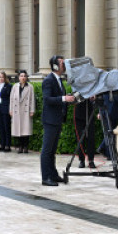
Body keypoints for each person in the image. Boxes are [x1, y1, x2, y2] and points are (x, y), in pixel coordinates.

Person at [41, 56, 74, 186]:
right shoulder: (48, 80)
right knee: (47, 150)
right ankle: (45, 177)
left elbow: (61, 99)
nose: (64, 65)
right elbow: (47, 99)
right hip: (50, 120)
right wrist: (64, 99)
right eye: (61, 63)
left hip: (57, 119)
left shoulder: (59, 80)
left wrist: (69, 100)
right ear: (55, 66)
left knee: (53, 150)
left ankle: (53, 175)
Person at [10, 69, 35, 153]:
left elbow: (32, 99)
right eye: (21, 76)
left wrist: (32, 110)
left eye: (24, 76)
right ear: (19, 77)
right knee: (18, 129)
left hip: (26, 111)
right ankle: (20, 146)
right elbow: (11, 99)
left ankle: (25, 146)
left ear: (26, 77)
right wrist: (11, 110)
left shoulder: (30, 87)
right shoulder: (15, 86)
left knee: (26, 129)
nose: (23, 77)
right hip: (17, 110)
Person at [73, 96, 99, 169]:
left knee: (91, 138)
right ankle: (82, 160)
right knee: (80, 138)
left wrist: (94, 98)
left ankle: (91, 160)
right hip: (79, 115)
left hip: (90, 114)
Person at [0, 71, 12, 152]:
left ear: (5, 78)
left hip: (5, 109)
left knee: (6, 127)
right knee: (1, 128)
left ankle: (8, 145)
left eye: (2, 77)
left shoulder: (8, 86)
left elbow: (10, 98)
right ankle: (2, 145)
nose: (1, 78)